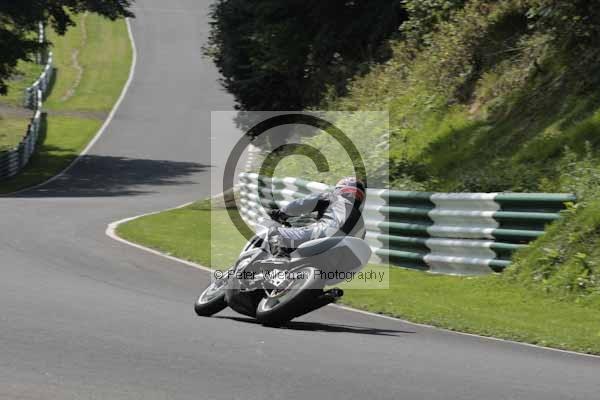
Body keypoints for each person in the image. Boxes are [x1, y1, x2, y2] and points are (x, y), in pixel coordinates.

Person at [267, 177, 366, 257]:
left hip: (323, 236)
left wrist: (280, 213)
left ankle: (279, 260)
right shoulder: (362, 225)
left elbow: (302, 204)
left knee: (275, 231)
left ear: (341, 189)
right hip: (346, 257)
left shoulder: (333, 198)